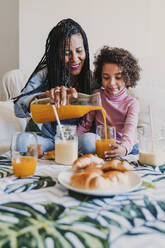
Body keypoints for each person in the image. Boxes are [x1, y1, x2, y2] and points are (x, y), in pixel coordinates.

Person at [14, 18, 98, 153]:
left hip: (77, 140)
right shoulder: (44, 75)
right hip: (47, 140)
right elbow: (18, 108)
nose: (75, 58)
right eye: (66, 53)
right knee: (22, 142)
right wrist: (42, 98)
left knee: (91, 142)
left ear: (86, 50)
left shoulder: (93, 79)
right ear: (56, 54)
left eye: (79, 51)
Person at [78, 46, 141, 159]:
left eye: (118, 77)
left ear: (128, 78)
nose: (112, 83)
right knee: (86, 140)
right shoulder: (97, 96)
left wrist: (124, 148)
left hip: (124, 144)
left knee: (136, 147)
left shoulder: (132, 103)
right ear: (100, 77)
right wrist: (72, 141)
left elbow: (130, 130)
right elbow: (85, 125)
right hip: (102, 143)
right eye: (106, 77)